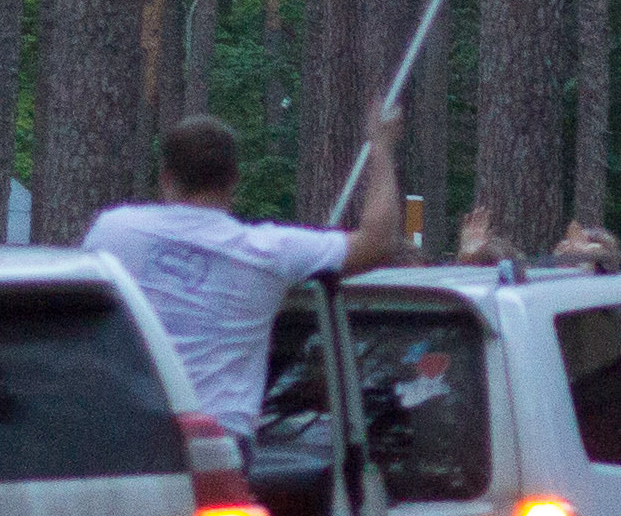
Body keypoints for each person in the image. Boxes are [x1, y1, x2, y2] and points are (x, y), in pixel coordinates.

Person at [86, 103, 407, 422]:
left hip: (126, 433)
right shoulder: (266, 252)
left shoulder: (114, 230)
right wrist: (380, 146)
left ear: (166, 179)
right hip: (218, 441)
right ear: (233, 180)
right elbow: (377, 243)